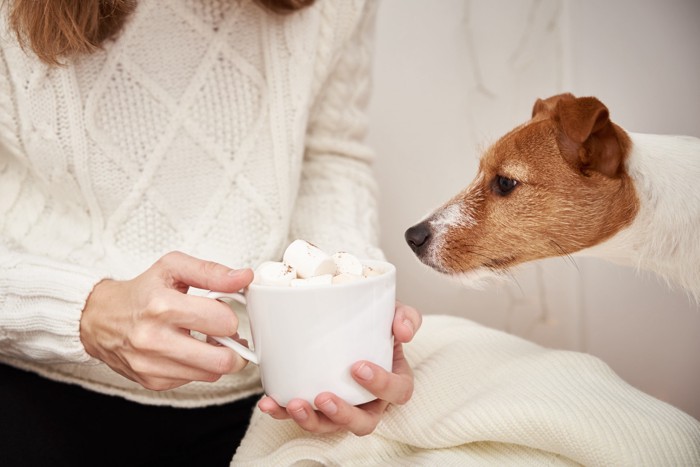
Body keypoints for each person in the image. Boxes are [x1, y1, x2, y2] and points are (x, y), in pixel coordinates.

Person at [0, 0, 422, 465]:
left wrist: (349, 314)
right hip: (35, 393)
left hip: (270, 407)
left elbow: (329, 152)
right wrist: (81, 311)